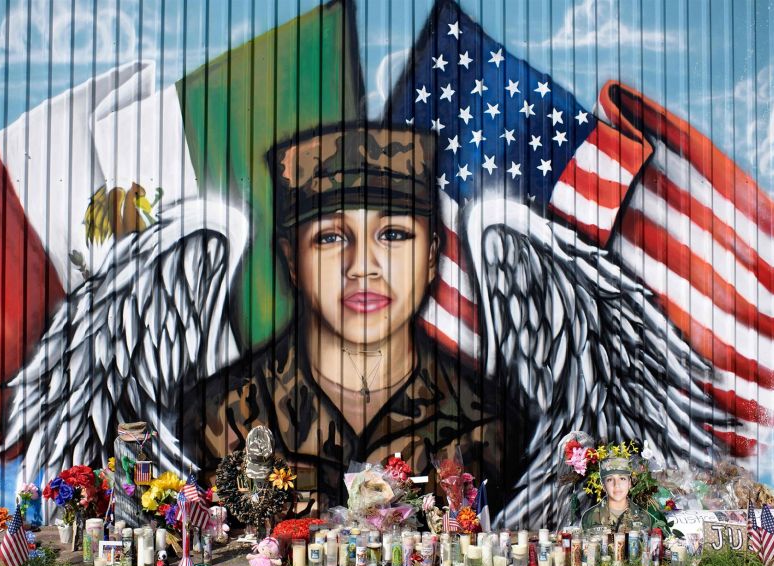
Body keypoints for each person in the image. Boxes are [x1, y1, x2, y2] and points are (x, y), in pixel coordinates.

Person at [180, 124, 526, 509]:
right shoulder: (223, 417)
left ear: (431, 257)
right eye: (330, 237)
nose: (362, 267)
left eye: (394, 234)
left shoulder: (484, 422)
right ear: (292, 260)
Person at [581, 457, 653, 532]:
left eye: (622, 479)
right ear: (604, 486)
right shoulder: (590, 517)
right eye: (610, 480)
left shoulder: (642, 517)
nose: (616, 485)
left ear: (629, 483)